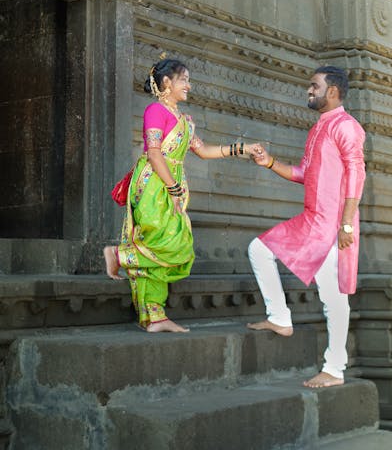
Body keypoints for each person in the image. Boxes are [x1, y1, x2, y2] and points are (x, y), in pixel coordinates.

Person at [104, 55, 254, 333]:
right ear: (166, 82)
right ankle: (120, 255)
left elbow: (204, 151)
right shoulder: (155, 111)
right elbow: (153, 152)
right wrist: (172, 188)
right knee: (162, 242)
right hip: (153, 183)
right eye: (184, 80)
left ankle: (155, 316)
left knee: (177, 247)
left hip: (173, 184)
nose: (189, 86)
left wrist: (241, 149)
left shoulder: (184, 120)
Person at [248, 66, 365, 388]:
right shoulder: (318, 128)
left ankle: (335, 369)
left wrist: (346, 226)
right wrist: (270, 163)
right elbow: (304, 173)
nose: (308, 91)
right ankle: (280, 318)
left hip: (333, 226)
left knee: (334, 299)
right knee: (259, 249)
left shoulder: (347, 126)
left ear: (333, 92)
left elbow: (358, 175)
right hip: (312, 220)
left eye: (314, 86)